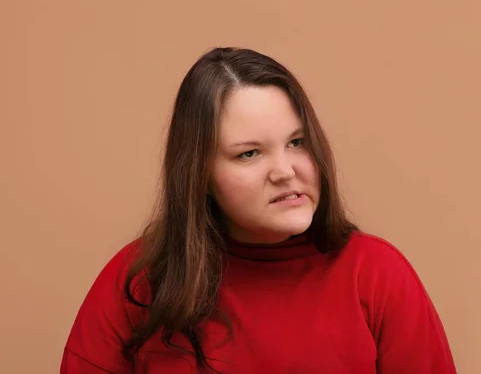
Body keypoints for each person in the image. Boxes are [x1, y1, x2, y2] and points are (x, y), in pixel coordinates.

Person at [60, 47, 457, 373]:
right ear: (199, 175)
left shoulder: (377, 274)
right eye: (249, 153)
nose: (285, 172)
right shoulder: (137, 281)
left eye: (297, 142)